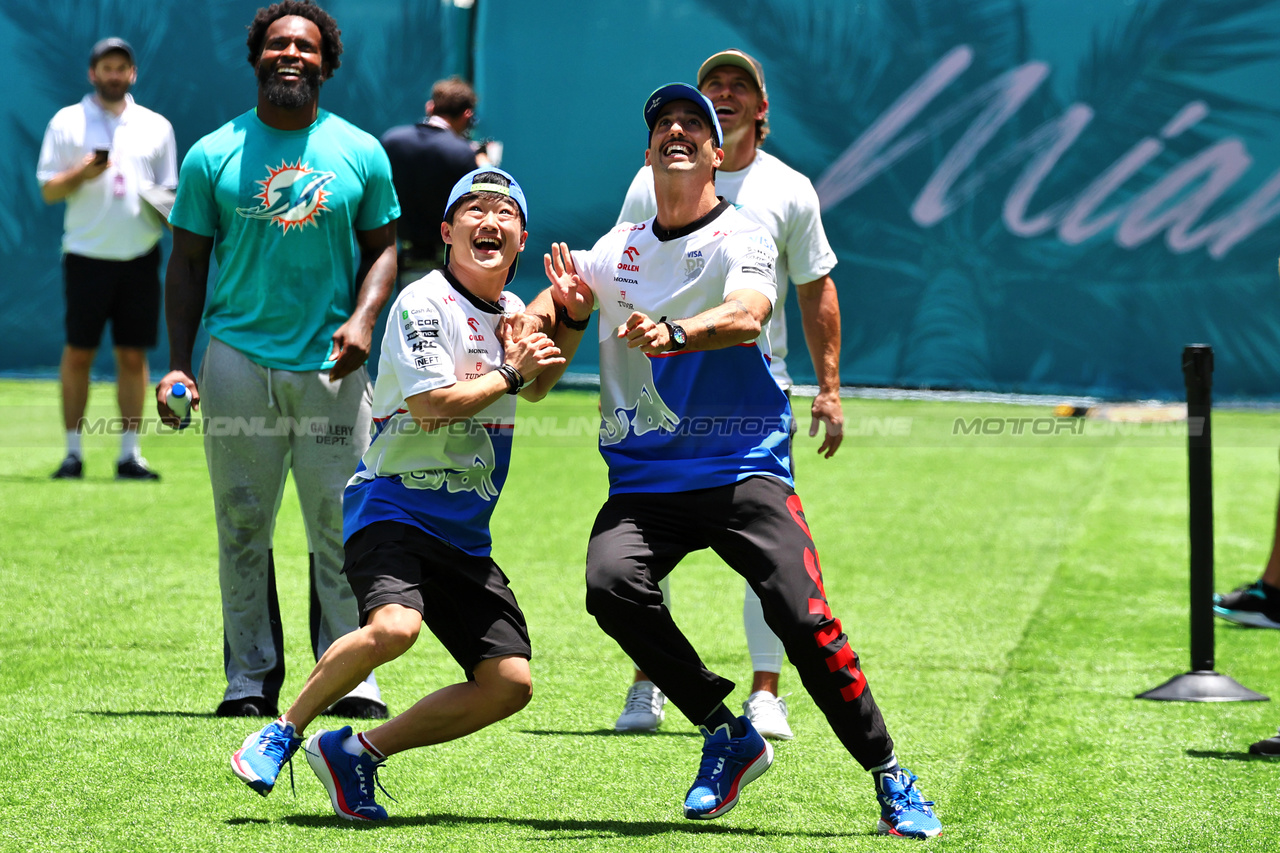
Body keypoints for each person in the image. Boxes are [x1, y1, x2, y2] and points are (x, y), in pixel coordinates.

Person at [528, 83, 940, 837]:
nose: (677, 129)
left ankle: (890, 774)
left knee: (803, 618)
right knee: (609, 584)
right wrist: (534, 328)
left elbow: (750, 312)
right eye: (663, 123)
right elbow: (547, 333)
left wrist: (677, 333)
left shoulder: (744, 233)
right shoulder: (614, 249)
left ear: (718, 153)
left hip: (745, 467)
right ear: (648, 151)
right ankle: (727, 731)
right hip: (647, 482)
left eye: (695, 124)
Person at [227, 167, 587, 821]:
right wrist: (510, 369)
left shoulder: (510, 312)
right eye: (473, 210)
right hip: (390, 505)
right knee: (395, 626)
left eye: (505, 212)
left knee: (509, 684)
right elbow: (430, 408)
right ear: (447, 232)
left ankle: (358, 752)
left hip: (463, 532)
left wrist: (574, 318)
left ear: (521, 239)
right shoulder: (423, 304)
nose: (490, 221)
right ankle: (281, 730)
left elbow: (535, 387)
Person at [156, 0, 398, 720]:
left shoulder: (360, 150)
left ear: (327, 63)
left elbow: (385, 248)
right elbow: (187, 262)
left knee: (339, 524)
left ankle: (350, 675)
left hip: (334, 366)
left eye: (307, 46)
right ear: (257, 55)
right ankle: (251, 678)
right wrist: (177, 363)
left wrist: (363, 320)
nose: (292, 54)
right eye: (279, 43)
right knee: (241, 522)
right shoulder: (212, 153)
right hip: (237, 361)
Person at [611, 49, 843, 741]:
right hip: (663, 391)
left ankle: (765, 690)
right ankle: (648, 681)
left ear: (758, 110)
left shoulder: (790, 190)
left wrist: (829, 388)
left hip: (749, 401)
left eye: (740, 86)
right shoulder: (649, 180)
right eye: (714, 85)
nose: (726, 93)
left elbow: (815, 286)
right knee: (638, 543)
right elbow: (620, 263)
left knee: (765, 552)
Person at [38, 37, 177, 481]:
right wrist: (82, 172)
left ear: (132, 74)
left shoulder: (156, 125)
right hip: (85, 255)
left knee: (133, 357)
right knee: (78, 353)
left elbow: (169, 194)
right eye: (106, 67)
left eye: (122, 67)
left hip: (139, 256)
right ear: (92, 73)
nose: (114, 74)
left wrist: (163, 207)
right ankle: (73, 454)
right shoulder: (66, 121)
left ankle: (129, 455)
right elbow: (48, 189)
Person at [380, 77, 485, 279]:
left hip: (401, 258)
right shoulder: (462, 153)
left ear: (430, 107)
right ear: (466, 115)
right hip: (448, 263)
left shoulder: (391, 140)